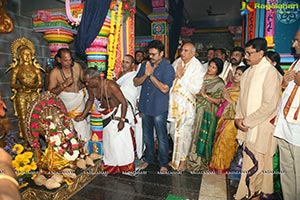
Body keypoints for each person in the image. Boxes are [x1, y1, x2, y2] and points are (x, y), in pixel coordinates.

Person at [234, 38, 282, 200]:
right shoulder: (248, 72)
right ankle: (247, 192)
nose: (246, 56)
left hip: (262, 127)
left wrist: (247, 122)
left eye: (249, 53)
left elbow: (270, 105)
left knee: (260, 164)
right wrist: (238, 119)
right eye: (245, 52)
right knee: (249, 163)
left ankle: (256, 194)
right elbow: (241, 100)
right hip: (247, 125)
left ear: (261, 53)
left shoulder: (270, 73)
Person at [83, 67, 135, 174]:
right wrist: (83, 115)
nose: (86, 84)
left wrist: (122, 120)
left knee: (121, 143)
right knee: (110, 144)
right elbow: (90, 100)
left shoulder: (110, 85)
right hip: (106, 116)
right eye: (85, 81)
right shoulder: (91, 88)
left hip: (118, 113)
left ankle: (126, 168)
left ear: (96, 78)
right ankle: (112, 167)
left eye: (88, 81)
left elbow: (123, 102)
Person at [133, 40, 175, 173]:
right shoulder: (145, 65)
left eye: (154, 54)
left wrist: (150, 76)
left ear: (161, 53)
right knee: (147, 135)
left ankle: (163, 163)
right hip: (145, 106)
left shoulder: (168, 68)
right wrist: (146, 73)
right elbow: (135, 82)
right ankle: (149, 159)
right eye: (149, 54)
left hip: (159, 108)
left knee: (162, 137)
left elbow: (164, 89)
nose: (151, 57)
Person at [168, 41, 206, 171]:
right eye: (182, 50)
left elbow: (196, 88)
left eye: (186, 51)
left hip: (186, 105)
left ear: (193, 53)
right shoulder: (177, 62)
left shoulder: (198, 67)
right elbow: (170, 80)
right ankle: (175, 159)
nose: (182, 53)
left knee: (185, 133)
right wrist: (175, 75)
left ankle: (183, 161)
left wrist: (181, 77)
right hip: (173, 103)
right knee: (173, 131)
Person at [273, 27, 300, 200]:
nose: (294, 44)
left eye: (298, 40)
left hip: (298, 130)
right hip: (285, 124)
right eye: (294, 40)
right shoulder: (296, 62)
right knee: (287, 169)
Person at [186, 58, 225, 171]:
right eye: (210, 66)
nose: (210, 69)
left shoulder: (219, 83)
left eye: (214, 67)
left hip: (208, 112)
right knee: (194, 133)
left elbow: (219, 101)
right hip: (196, 109)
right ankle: (191, 159)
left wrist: (205, 95)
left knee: (203, 135)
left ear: (218, 70)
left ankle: (201, 161)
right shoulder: (201, 77)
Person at [48, 48, 93, 144]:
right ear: (59, 60)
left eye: (70, 60)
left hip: (80, 104)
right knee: (69, 135)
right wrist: (63, 85)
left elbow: (84, 80)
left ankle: (84, 153)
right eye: (65, 60)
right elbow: (50, 93)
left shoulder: (76, 66)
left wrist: (84, 84)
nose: (68, 63)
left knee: (82, 130)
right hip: (67, 107)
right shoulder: (55, 73)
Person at [209, 65, 248, 174]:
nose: (236, 76)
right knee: (218, 140)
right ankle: (215, 166)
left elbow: (242, 108)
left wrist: (229, 99)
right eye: (236, 73)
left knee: (226, 143)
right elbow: (222, 101)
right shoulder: (230, 86)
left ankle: (223, 167)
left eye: (240, 75)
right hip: (223, 118)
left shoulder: (245, 90)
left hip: (233, 120)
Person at [7, 39, 44, 141]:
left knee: (36, 117)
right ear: (20, 56)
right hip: (22, 94)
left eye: (29, 54)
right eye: (24, 54)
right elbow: (12, 84)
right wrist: (22, 87)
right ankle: (27, 141)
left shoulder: (35, 69)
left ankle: (36, 140)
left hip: (33, 94)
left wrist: (36, 86)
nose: (27, 57)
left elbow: (41, 82)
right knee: (23, 118)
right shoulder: (17, 69)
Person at [116, 54, 142, 159]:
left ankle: (133, 154)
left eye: (127, 62)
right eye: (123, 61)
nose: (124, 64)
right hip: (118, 106)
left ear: (132, 65)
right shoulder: (119, 74)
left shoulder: (135, 76)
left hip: (130, 107)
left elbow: (138, 92)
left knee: (130, 131)